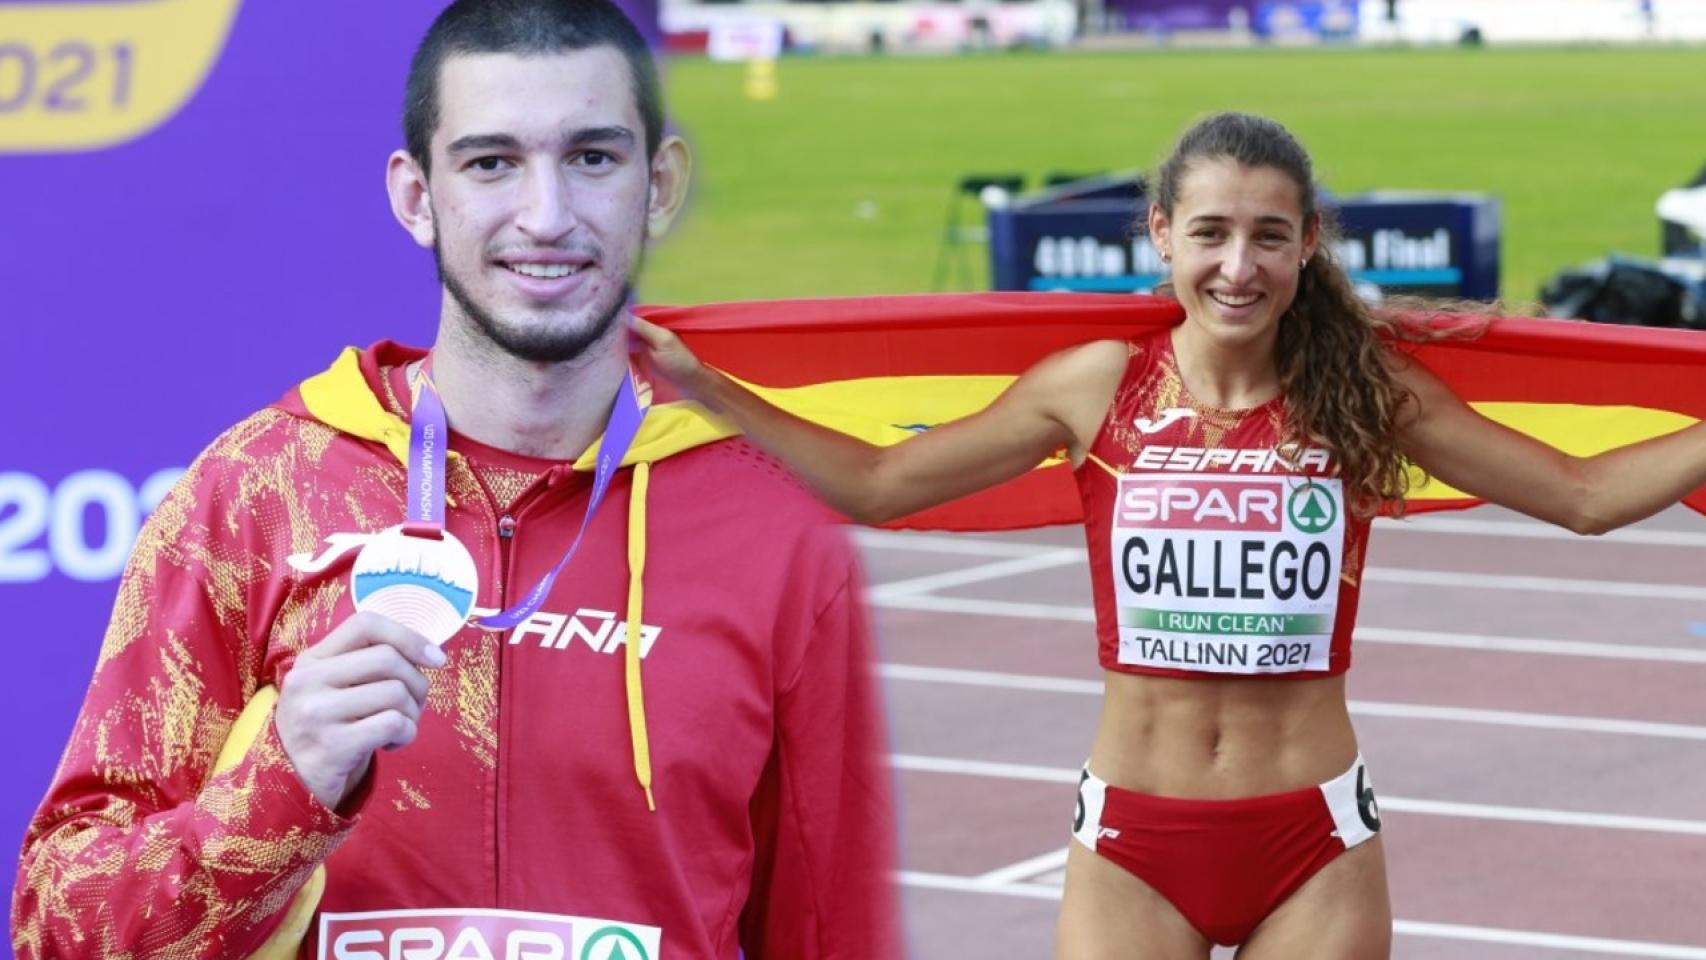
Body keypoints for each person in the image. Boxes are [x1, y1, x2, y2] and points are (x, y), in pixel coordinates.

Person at [633, 111, 1706, 958]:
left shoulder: (1365, 391)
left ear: (1306, 245)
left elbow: (1581, 496)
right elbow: (876, 484)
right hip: (1130, 849)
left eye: (1267, 237)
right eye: (1209, 233)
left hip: (1315, 842)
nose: (1237, 265)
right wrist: (705, 387)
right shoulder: (1094, 387)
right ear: (1159, 234)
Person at [11, 2, 900, 958]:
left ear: (661, 183)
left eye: (593, 158)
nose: (546, 215)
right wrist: (282, 784)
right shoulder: (258, 492)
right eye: (491, 163)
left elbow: (831, 931)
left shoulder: (774, 523)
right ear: (414, 195)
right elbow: (59, 926)